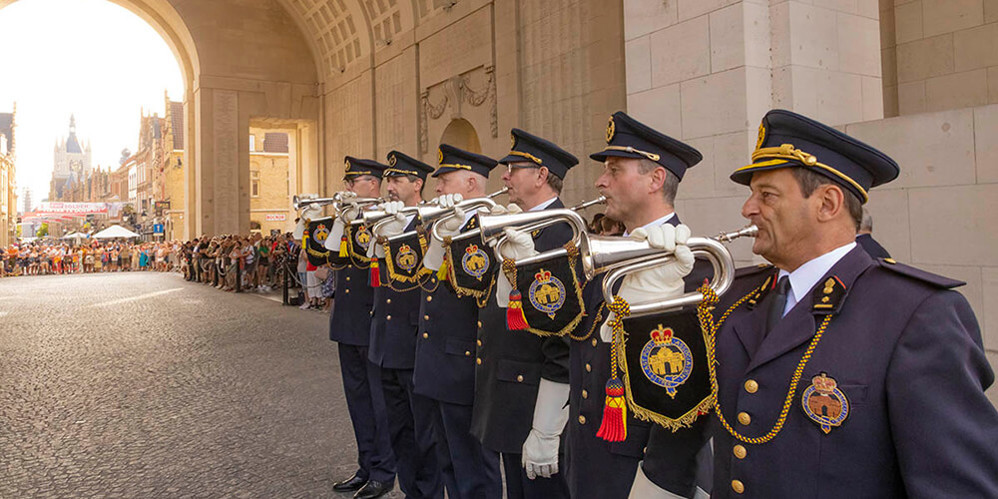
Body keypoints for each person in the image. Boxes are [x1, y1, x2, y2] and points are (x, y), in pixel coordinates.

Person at [710, 109, 998, 497]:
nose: (748, 208)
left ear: (827, 204)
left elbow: (957, 486)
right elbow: (670, 392)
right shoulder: (734, 296)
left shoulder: (915, 312)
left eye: (767, 195)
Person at [565, 111, 711, 499]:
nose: (600, 180)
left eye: (614, 170)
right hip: (587, 455)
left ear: (655, 179)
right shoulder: (603, 253)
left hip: (638, 472)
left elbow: (688, 395)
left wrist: (662, 484)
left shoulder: (695, 270)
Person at [470, 129, 577, 498]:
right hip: (512, 393)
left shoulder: (558, 233)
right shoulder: (523, 226)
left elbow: (560, 339)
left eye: (513, 168)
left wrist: (546, 427)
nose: (505, 176)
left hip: (533, 398)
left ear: (541, 175)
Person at [414, 144, 503, 499]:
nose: (437, 187)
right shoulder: (443, 225)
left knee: (474, 471)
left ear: (470, 184)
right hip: (437, 364)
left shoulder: (492, 226)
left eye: (444, 180)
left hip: (465, 367)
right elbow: (426, 279)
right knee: (449, 461)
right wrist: (441, 235)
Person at [366, 151, 443, 499]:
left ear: (417, 184)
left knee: (426, 435)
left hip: (416, 343)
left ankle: (428, 493)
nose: (390, 188)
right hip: (385, 342)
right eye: (388, 181)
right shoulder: (384, 221)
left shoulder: (434, 222)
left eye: (397, 181)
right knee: (399, 432)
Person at [321, 157, 397, 499]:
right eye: (349, 183)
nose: (349, 189)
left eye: (356, 182)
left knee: (380, 403)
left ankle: (385, 470)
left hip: (372, 322)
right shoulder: (348, 217)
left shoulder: (385, 217)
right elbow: (331, 256)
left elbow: (371, 257)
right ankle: (366, 464)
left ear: (374, 185)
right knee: (358, 403)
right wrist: (341, 218)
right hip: (348, 323)